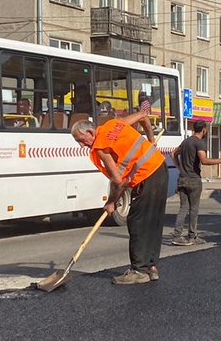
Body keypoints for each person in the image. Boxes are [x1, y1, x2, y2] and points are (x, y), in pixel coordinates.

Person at [71, 108, 167, 284]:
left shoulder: (100, 146)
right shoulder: (115, 124)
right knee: (152, 220)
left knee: (137, 222)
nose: (82, 146)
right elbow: (143, 116)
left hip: (146, 175)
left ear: (90, 132)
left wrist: (111, 202)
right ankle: (151, 267)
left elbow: (116, 180)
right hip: (160, 168)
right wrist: (151, 141)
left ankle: (139, 270)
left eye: (81, 141)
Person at [170, 120, 221, 246]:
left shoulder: (186, 141)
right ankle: (192, 236)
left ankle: (177, 236)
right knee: (194, 209)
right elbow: (204, 160)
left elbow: (173, 153)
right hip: (193, 180)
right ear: (204, 130)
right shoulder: (199, 143)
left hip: (182, 178)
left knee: (183, 208)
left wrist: (179, 168)